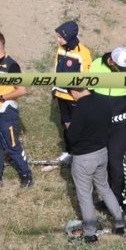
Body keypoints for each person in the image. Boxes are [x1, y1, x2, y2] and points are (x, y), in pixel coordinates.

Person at [66, 86, 126, 243]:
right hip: (102, 153)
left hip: (84, 158)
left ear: (73, 92)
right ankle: (120, 224)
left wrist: (68, 128)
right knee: (105, 188)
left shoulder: (80, 108)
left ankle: (90, 233)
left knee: (85, 195)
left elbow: (72, 136)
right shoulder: (103, 100)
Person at [88, 47, 126, 213]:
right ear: (112, 62)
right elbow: (88, 90)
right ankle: (107, 200)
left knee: (116, 162)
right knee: (101, 163)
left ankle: (120, 203)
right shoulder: (97, 64)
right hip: (99, 124)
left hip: (121, 125)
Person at [0, 31, 34, 188]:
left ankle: (26, 175)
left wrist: (3, 98)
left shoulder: (11, 65)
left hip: (5, 114)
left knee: (12, 146)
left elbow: (22, 90)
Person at [51, 20, 93, 164]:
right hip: (61, 95)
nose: (58, 39)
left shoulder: (84, 53)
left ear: (68, 37)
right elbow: (57, 67)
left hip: (74, 97)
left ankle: (80, 154)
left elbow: (84, 79)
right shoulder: (60, 49)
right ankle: (69, 152)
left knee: (77, 126)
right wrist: (55, 87)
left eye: (60, 37)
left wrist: (75, 92)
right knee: (65, 123)